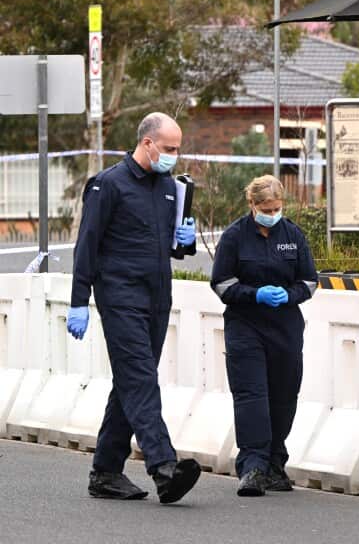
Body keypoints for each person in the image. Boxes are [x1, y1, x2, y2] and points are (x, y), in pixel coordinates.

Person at [68, 112, 202, 504]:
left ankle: (106, 472)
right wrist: (79, 301)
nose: (174, 156)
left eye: (178, 149)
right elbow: (86, 247)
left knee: (130, 381)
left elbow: (173, 248)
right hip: (120, 296)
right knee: (141, 378)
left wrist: (186, 241)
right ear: (147, 143)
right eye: (169, 148)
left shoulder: (167, 188)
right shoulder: (108, 185)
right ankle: (164, 467)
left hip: (157, 297)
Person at [210, 175, 318, 497]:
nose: (272, 213)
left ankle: (274, 463)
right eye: (266, 208)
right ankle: (252, 467)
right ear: (252, 205)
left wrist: (289, 295)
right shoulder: (234, 237)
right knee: (251, 397)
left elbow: (310, 281)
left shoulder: (293, 236)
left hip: (285, 328)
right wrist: (254, 294)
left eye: (277, 207)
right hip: (246, 326)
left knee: (284, 397)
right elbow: (221, 283)